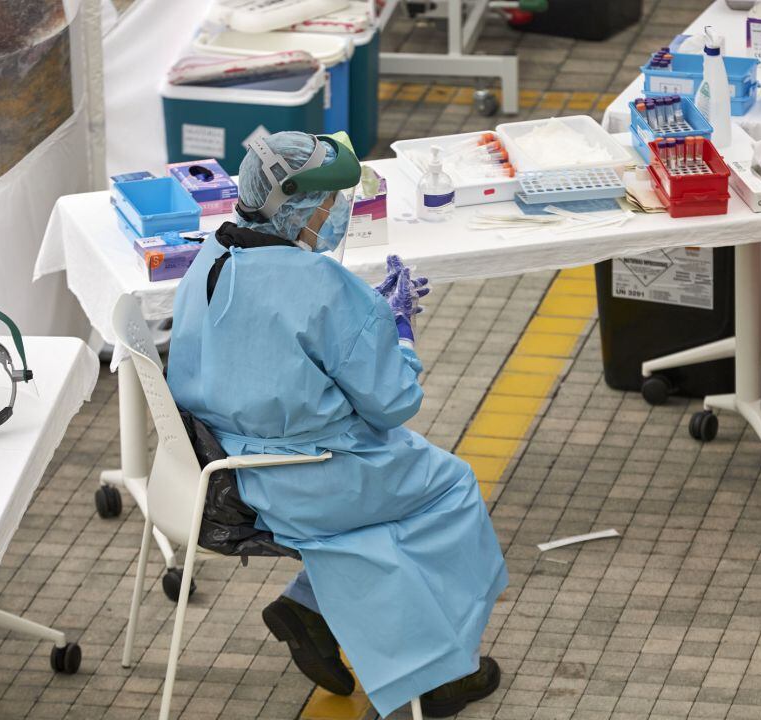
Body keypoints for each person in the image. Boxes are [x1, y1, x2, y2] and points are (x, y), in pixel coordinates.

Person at [166, 131, 508, 718]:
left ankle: (310, 606)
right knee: (449, 491)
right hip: (306, 479)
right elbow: (394, 404)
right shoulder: (323, 284)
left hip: (218, 469)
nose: (340, 215)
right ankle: (441, 675)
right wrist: (395, 331)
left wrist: (364, 322)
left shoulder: (209, 257)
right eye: (331, 203)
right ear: (291, 204)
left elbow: (268, 340)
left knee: (387, 506)